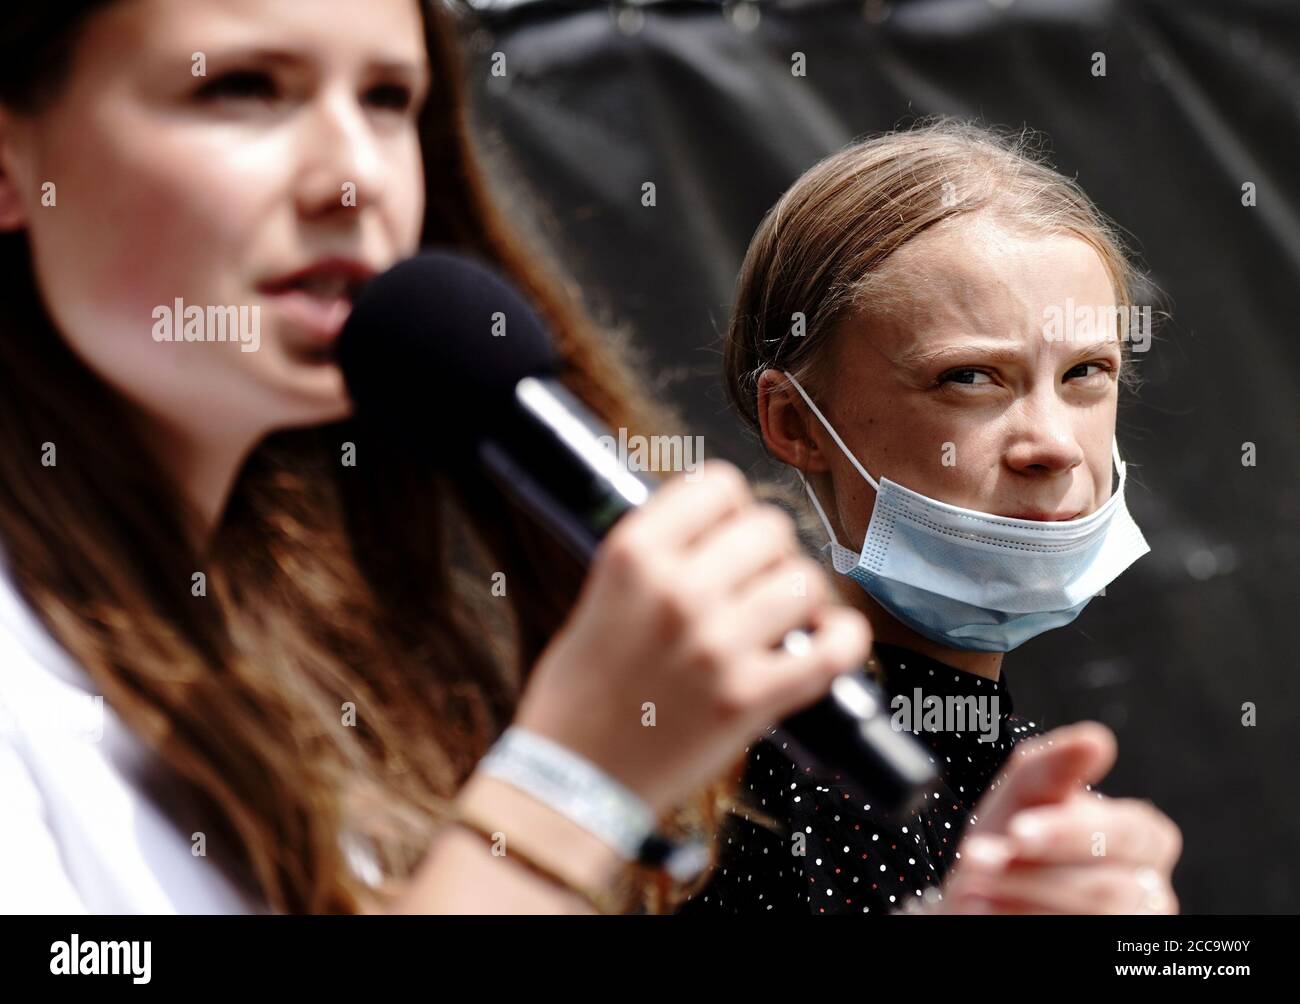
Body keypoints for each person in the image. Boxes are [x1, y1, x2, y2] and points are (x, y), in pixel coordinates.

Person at [0, 0, 871, 914]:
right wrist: (566, 790)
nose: (353, 179)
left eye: (388, 100)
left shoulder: (311, 653)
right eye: (242, 88)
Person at [682, 122, 1182, 915]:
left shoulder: (1030, 781)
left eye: (1087, 372)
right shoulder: (732, 773)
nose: (1053, 445)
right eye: (970, 378)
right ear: (797, 423)